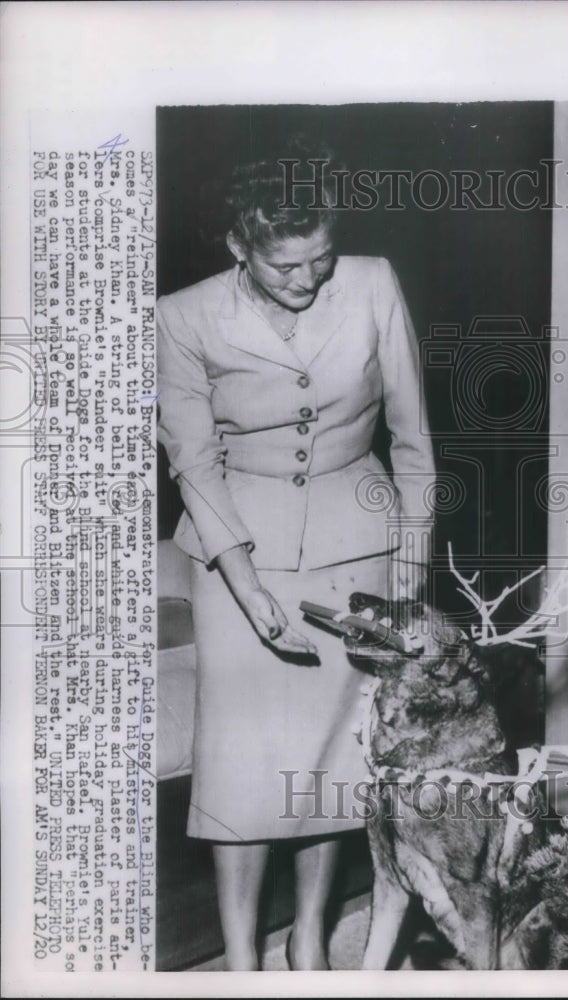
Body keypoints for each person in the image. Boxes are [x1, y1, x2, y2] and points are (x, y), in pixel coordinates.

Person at [157, 145, 435, 971]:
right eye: (285, 267)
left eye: (321, 258)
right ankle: (242, 957)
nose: (309, 279)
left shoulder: (374, 282)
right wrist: (241, 582)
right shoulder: (183, 315)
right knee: (242, 761)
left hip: (361, 541)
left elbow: (413, 431)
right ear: (238, 247)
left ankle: (309, 937)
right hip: (236, 543)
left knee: (334, 756)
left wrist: (412, 563)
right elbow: (193, 461)